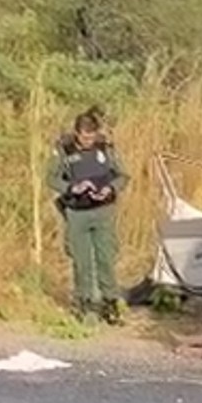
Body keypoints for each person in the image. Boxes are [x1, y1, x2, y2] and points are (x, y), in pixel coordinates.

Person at [46, 107, 129, 324]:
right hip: (77, 213)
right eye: (84, 137)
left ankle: (110, 303)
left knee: (106, 258)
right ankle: (85, 304)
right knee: (81, 261)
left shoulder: (106, 149)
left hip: (103, 211)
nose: (88, 141)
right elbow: (51, 179)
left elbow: (123, 176)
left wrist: (110, 188)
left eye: (92, 136)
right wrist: (72, 187)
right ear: (76, 133)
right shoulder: (64, 150)